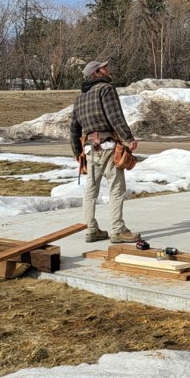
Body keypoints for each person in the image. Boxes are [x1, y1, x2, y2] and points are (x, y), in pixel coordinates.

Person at [70, 57, 139, 243]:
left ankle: (91, 229)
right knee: (116, 188)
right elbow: (115, 116)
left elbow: (74, 128)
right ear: (96, 73)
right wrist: (128, 138)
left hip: (90, 150)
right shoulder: (106, 89)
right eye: (103, 68)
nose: (107, 69)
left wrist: (77, 152)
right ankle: (118, 230)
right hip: (108, 146)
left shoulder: (79, 98)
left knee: (91, 190)